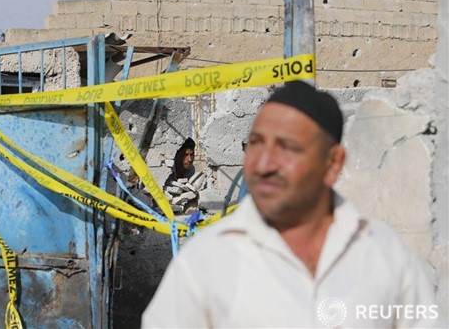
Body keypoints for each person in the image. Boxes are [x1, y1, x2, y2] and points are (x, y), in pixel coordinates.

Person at [142, 81, 445, 328]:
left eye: (287, 147)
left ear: (333, 162)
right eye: (256, 144)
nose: (263, 163)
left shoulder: (386, 256)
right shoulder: (206, 260)